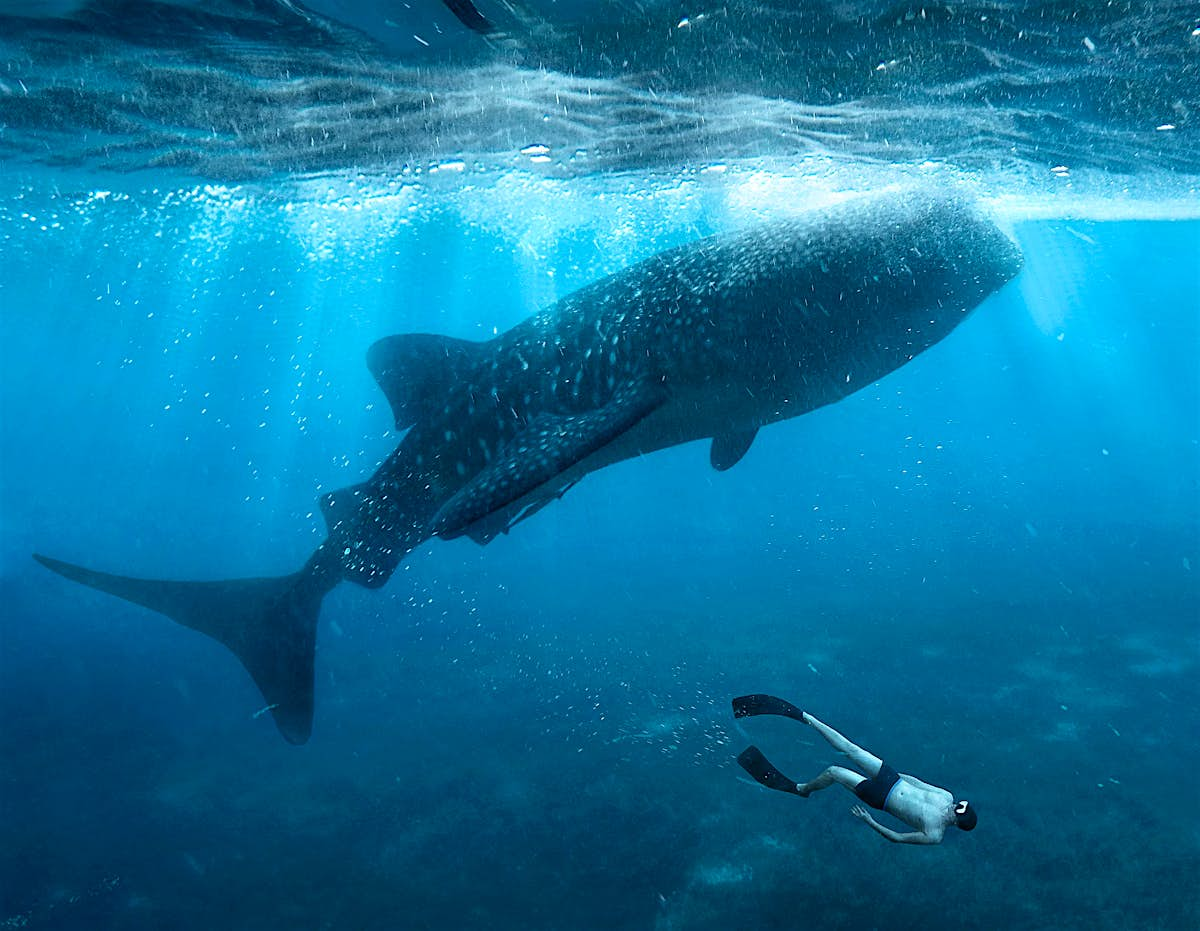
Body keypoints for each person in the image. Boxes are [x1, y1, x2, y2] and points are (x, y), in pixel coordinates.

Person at [732, 694, 977, 845]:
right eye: (958, 805)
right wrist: (891, 773)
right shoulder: (946, 797)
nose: (954, 807)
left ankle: (802, 789)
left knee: (834, 771)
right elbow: (917, 781)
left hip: (882, 798)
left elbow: (898, 837)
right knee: (850, 747)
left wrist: (869, 820)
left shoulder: (934, 834)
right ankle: (806, 717)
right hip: (892, 779)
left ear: (956, 821)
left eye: (957, 811)